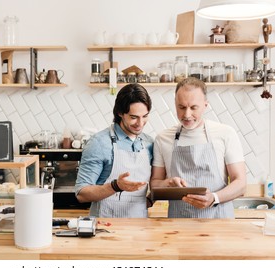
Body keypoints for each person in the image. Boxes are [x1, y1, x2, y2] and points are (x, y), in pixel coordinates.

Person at [150, 77, 246, 218]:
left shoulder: (225, 133)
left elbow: (241, 184)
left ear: (205, 105)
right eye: (181, 107)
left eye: (194, 107)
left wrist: (214, 197)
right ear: (175, 104)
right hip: (178, 226)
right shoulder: (163, 139)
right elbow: (154, 185)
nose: (187, 115)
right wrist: (168, 182)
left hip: (219, 224)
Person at [75, 83, 153, 218]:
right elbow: (81, 193)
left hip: (140, 227)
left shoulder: (149, 143)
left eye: (145, 116)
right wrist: (115, 186)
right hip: (105, 226)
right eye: (134, 117)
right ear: (120, 113)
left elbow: (156, 181)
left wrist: (151, 200)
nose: (140, 123)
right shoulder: (99, 143)